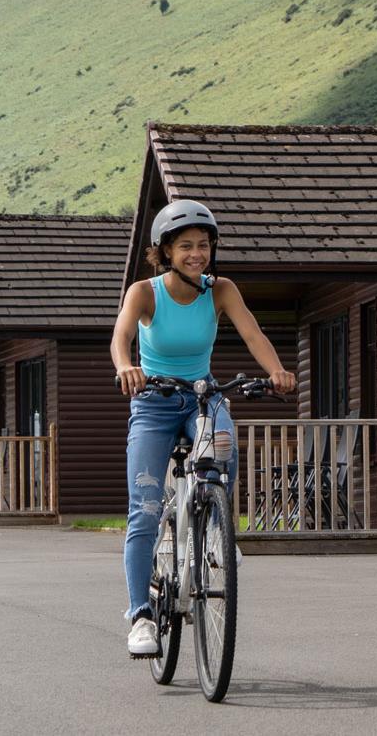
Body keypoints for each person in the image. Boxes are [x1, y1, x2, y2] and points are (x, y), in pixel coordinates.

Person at [110, 199, 295, 658]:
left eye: (204, 245)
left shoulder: (221, 289)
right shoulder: (144, 292)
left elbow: (253, 334)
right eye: (186, 246)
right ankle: (140, 617)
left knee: (223, 444)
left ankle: (215, 530)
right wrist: (125, 366)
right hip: (153, 401)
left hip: (201, 396)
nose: (197, 254)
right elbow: (121, 337)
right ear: (166, 251)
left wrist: (277, 371)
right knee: (146, 508)